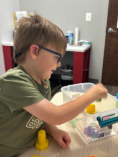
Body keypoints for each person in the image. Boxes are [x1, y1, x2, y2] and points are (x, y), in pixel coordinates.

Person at [0, 15, 108, 157]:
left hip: (30, 148)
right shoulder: (13, 82)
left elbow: (40, 118)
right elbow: (55, 115)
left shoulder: (43, 83)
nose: (59, 64)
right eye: (57, 58)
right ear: (35, 52)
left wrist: (54, 131)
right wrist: (90, 95)